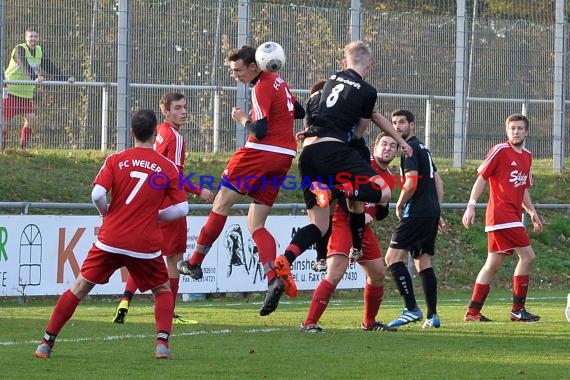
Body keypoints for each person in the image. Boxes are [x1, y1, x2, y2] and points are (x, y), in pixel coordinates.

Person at [270, 40, 412, 314]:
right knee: (383, 192)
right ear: (368, 65)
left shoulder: (329, 82)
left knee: (319, 225)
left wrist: (397, 139)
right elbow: (361, 129)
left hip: (308, 154)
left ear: (344, 61)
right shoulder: (367, 90)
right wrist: (397, 141)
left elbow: (319, 115)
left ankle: (286, 258)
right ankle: (337, 189)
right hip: (333, 151)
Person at [34, 109, 189, 359]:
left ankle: (46, 342)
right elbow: (183, 208)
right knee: (162, 290)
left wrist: (106, 213)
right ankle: (162, 345)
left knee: (79, 287)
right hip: (145, 243)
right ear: (154, 133)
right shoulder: (166, 166)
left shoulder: (116, 159)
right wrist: (155, 216)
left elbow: (97, 194)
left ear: (132, 133)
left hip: (111, 239)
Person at [176, 44, 305, 317]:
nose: (235, 75)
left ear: (254, 67)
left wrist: (242, 118)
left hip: (260, 153)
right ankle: (273, 276)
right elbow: (300, 112)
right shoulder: (281, 83)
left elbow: (259, 130)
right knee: (255, 222)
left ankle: (195, 262)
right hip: (284, 157)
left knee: (221, 204)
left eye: (238, 70)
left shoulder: (260, 86)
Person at [112, 92, 214, 325]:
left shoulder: (157, 132)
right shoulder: (175, 137)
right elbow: (175, 175)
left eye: (185, 107)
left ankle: (125, 301)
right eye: (177, 108)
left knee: (144, 255)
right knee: (175, 259)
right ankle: (170, 312)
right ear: (165, 111)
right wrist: (199, 190)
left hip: (149, 203)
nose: (183, 111)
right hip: (169, 204)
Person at [300, 133, 399, 333]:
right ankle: (309, 323)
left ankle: (369, 322)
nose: (387, 148)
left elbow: (379, 212)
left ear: (396, 152)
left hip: (362, 227)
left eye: (393, 146)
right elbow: (344, 191)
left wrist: (380, 208)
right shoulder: (361, 162)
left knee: (378, 273)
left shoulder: (388, 178)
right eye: (384, 144)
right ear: (375, 147)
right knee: (335, 272)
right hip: (342, 220)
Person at [462, 113, 543, 322]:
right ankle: (518, 310)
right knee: (528, 257)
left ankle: (473, 312)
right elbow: (482, 178)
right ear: (507, 131)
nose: (515, 132)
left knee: (494, 264)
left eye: (519, 128)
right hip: (501, 215)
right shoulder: (500, 150)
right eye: (512, 128)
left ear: (526, 131)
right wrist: (471, 206)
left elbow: (522, 187)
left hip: (511, 216)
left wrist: (532, 211)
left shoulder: (527, 156)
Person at [384, 109, 447, 329]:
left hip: (416, 211)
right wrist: (435, 211)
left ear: (413, 125)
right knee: (423, 261)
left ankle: (411, 309)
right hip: (429, 212)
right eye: (393, 123)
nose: (397, 126)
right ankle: (432, 315)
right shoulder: (424, 149)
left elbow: (410, 184)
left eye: (402, 122)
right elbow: (439, 183)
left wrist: (400, 203)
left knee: (392, 258)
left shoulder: (409, 150)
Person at [2, 27, 75, 149]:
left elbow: (50, 67)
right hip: (11, 92)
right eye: (30, 36)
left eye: (35, 36)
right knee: (4, 123)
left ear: (38, 38)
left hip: (26, 94)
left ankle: (23, 148)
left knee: (32, 119)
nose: (33, 39)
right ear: (26, 38)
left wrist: (65, 78)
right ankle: (2, 148)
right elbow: (23, 63)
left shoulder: (39, 51)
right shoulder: (19, 49)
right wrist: (34, 77)